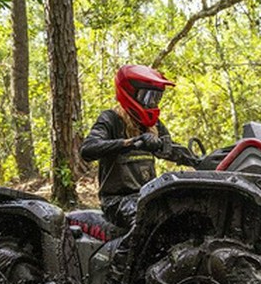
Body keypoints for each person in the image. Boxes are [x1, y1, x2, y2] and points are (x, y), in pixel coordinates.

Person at [81, 64, 198, 228]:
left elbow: (169, 148)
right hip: (117, 201)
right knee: (146, 220)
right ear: (130, 93)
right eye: (148, 97)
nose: (152, 103)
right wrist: (132, 143)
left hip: (148, 196)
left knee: (185, 214)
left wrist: (197, 161)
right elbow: (88, 149)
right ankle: (122, 254)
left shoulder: (154, 124)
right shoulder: (111, 119)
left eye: (156, 98)